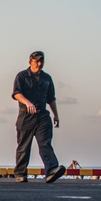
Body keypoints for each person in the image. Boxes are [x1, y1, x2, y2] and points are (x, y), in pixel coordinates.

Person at [12, 51, 64, 183]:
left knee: (45, 144)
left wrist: (56, 115)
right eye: (36, 61)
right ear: (30, 62)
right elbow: (16, 93)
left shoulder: (47, 78)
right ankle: (20, 173)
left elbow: (51, 98)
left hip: (42, 116)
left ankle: (51, 170)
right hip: (26, 115)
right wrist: (27, 102)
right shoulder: (22, 76)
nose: (39, 64)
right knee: (24, 146)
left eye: (41, 61)